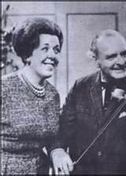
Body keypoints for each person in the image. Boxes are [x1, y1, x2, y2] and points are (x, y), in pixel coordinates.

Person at [50, 29, 126, 175]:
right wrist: (57, 150)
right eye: (111, 57)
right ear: (96, 60)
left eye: (124, 54)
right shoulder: (80, 87)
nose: (121, 62)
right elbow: (62, 129)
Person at [0, 17, 63, 175]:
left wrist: (56, 150)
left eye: (56, 50)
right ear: (28, 54)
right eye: (45, 48)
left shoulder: (52, 94)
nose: (52, 56)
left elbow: (51, 136)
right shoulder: (4, 88)